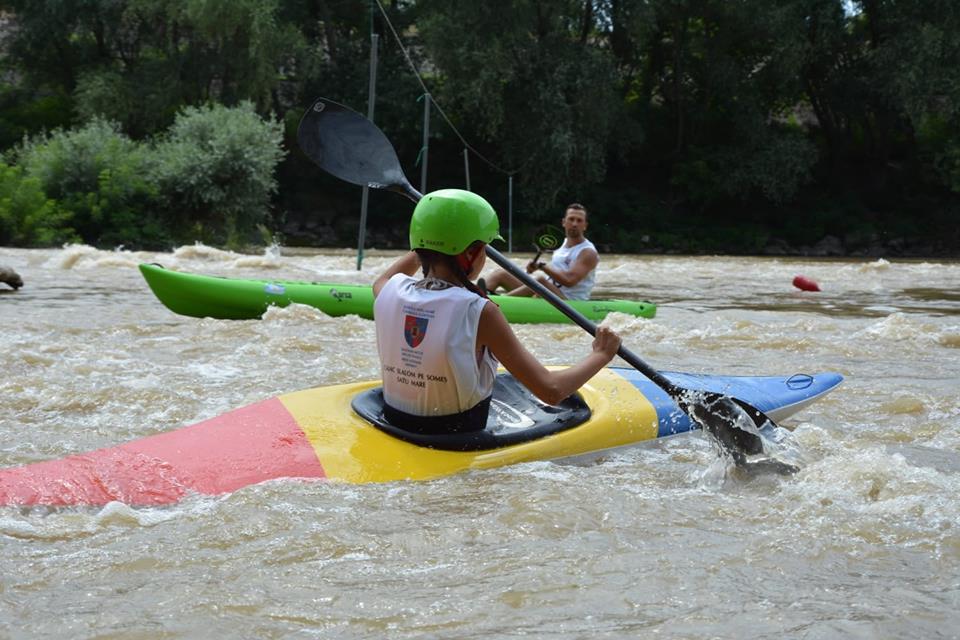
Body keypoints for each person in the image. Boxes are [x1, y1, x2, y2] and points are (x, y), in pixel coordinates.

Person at [372, 189, 621, 434]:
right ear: (473, 253)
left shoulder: (388, 288)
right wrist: (601, 354)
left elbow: (389, 275)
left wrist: (430, 236)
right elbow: (551, 391)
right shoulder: (480, 311)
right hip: (454, 434)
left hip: (394, 421)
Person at [480, 203, 598, 300]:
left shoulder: (587, 252)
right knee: (500, 274)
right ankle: (474, 295)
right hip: (548, 293)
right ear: (563, 222)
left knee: (541, 281)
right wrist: (536, 266)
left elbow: (569, 281)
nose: (574, 224)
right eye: (571, 219)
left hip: (569, 301)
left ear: (585, 225)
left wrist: (542, 266)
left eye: (579, 221)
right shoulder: (561, 244)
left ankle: (498, 304)